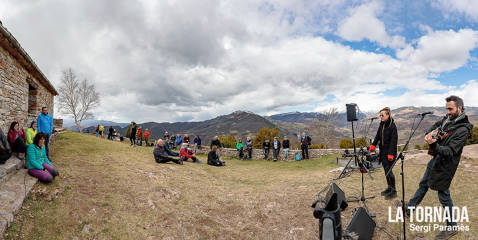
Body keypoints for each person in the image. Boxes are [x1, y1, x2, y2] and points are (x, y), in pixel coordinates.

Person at [406, 96, 472, 239]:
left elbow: (449, 152)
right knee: (423, 184)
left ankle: (452, 226)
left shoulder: (463, 129)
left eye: (450, 109)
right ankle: (409, 208)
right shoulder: (448, 119)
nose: (447, 112)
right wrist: (428, 133)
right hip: (436, 159)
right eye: (446, 108)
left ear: (459, 108)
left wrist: (433, 144)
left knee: (443, 194)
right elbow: (438, 123)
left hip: (446, 165)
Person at [369, 107, 398, 200]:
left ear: (388, 115)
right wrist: (373, 145)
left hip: (390, 153)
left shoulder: (392, 126)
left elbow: (394, 141)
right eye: (380, 115)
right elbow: (377, 135)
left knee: (389, 171)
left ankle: (394, 191)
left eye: (382, 115)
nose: (381, 117)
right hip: (383, 152)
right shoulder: (382, 124)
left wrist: (391, 154)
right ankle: (389, 188)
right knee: (386, 171)